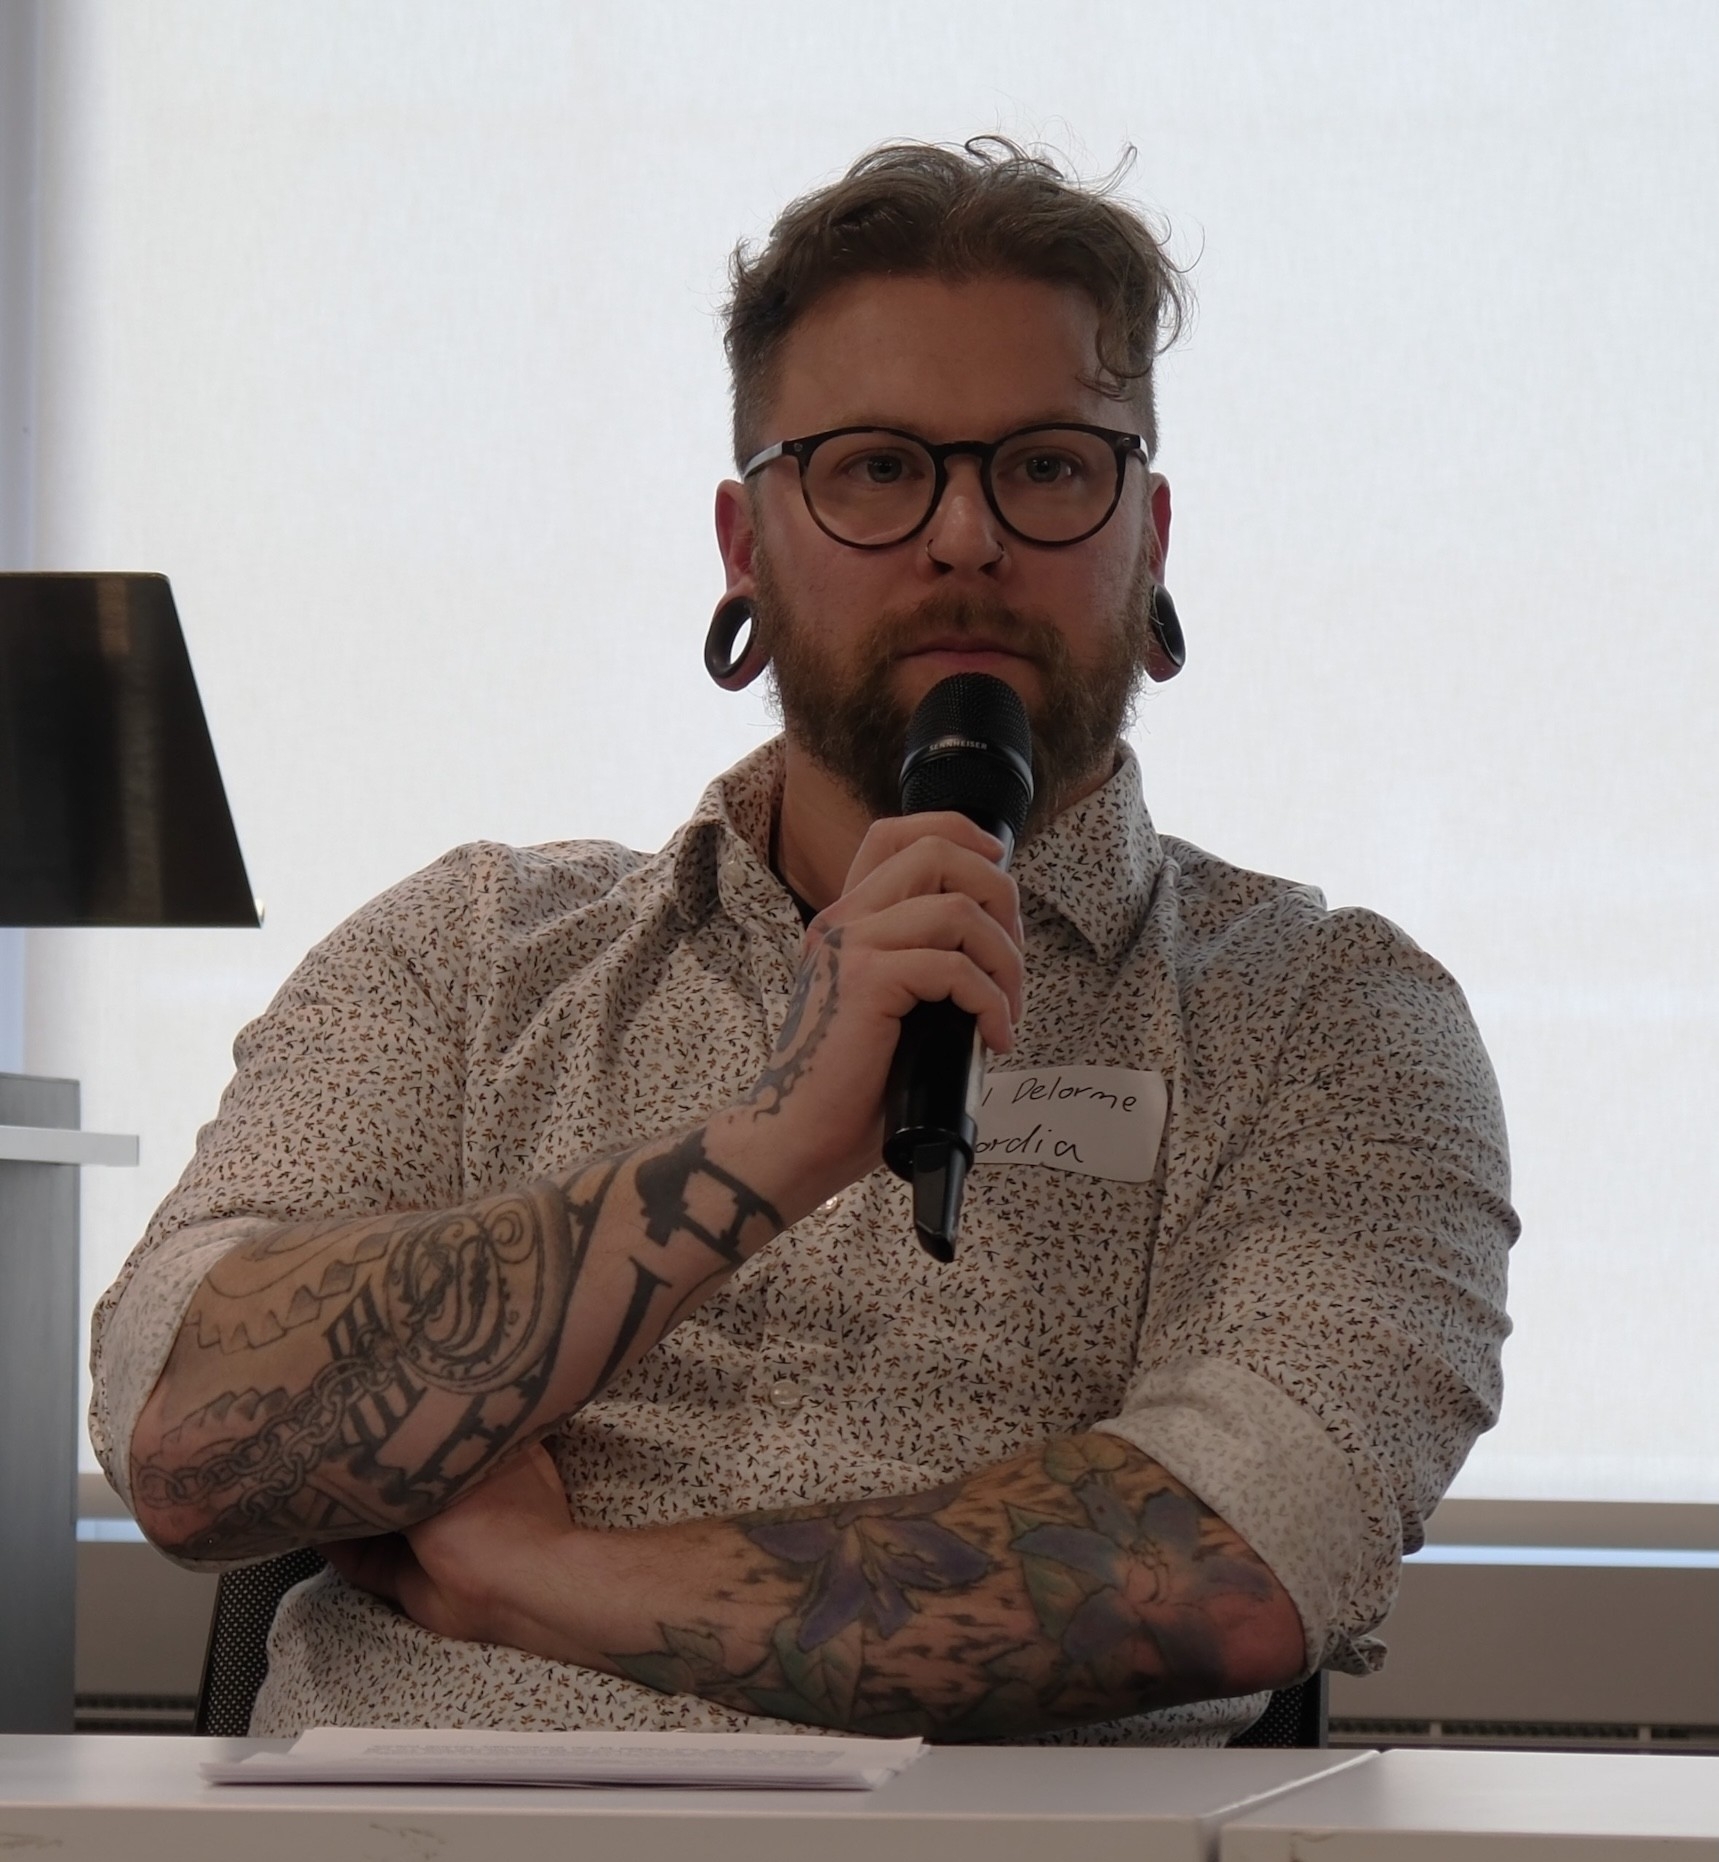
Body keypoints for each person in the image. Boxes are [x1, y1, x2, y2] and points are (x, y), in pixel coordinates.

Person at [91, 138, 1516, 1745]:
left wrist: (544, 1584)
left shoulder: (1333, 1021)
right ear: (745, 548)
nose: (966, 538)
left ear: (1153, 537)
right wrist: (773, 1145)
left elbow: (1236, 1556)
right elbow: (182, 1430)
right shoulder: (472, 953)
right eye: (875, 468)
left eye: (1051, 465)